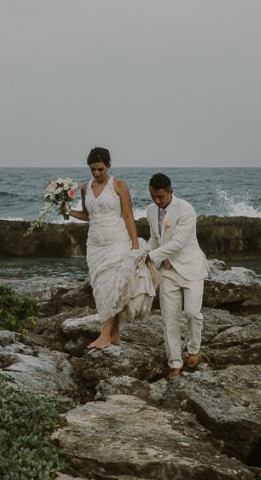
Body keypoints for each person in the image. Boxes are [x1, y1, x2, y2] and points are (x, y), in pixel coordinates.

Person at [60, 147, 155, 349]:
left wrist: (136, 247)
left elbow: (129, 216)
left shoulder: (119, 186)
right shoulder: (86, 189)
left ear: (109, 166)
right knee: (101, 289)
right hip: (94, 246)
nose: (96, 173)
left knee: (114, 287)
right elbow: (88, 216)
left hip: (117, 242)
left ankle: (104, 335)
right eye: (93, 169)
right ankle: (115, 335)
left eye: (100, 169)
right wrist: (68, 211)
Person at [145, 172, 209, 379]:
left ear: (170, 191)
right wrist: (143, 254)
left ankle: (193, 349)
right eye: (153, 196)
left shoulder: (186, 209)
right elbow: (156, 238)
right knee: (169, 319)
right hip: (167, 271)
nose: (157, 201)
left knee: (191, 312)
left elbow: (178, 243)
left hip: (191, 268)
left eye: (160, 197)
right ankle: (174, 364)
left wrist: (150, 257)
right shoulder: (150, 211)